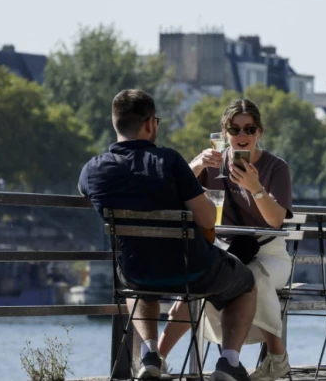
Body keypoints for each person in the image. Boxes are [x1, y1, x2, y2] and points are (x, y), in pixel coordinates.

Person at [79, 90, 256, 381]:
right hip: (192, 270)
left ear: (116, 125)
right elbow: (208, 218)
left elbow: (84, 191)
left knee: (140, 284)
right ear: (150, 124)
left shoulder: (93, 169)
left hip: (136, 271)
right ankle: (229, 362)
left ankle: (150, 353)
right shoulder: (170, 161)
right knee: (245, 283)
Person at [157, 98, 294, 381]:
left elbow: (276, 221)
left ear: (259, 132)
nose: (242, 136)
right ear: (224, 133)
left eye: (249, 129)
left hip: (268, 252)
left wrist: (256, 189)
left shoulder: (275, 168)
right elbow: (168, 197)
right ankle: (156, 358)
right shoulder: (213, 163)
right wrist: (193, 166)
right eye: (234, 130)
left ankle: (275, 356)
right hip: (225, 249)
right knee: (197, 281)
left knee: (250, 277)